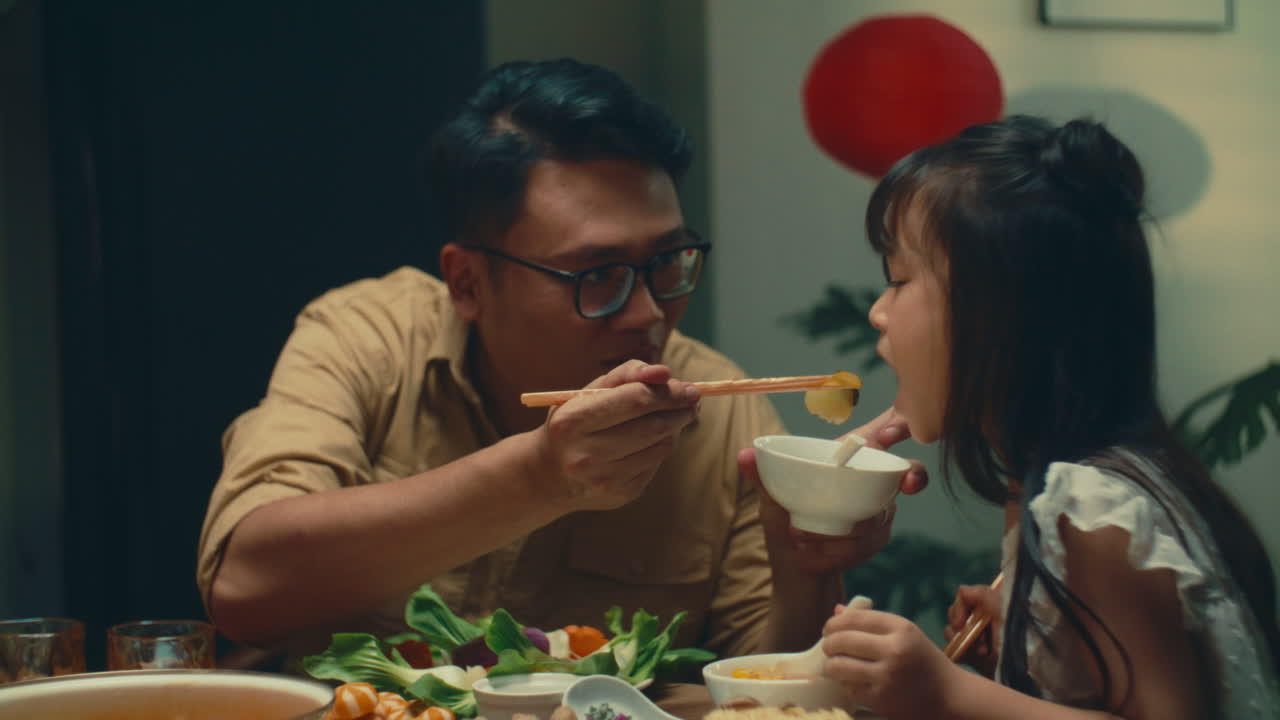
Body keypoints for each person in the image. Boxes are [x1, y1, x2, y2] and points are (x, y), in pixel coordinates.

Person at [196, 58, 925, 668]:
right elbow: (245, 586)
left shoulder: (723, 408)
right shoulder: (369, 337)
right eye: (596, 274)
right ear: (468, 283)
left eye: (667, 260)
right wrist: (538, 478)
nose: (647, 314)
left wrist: (807, 566)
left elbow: (764, 687)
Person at [817, 115, 1280, 718]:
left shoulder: (1093, 507)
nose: (879, 312)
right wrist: (1027, 656)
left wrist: (950, 693)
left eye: (900, 280)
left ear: (1004, 323)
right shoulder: (1051, 480)